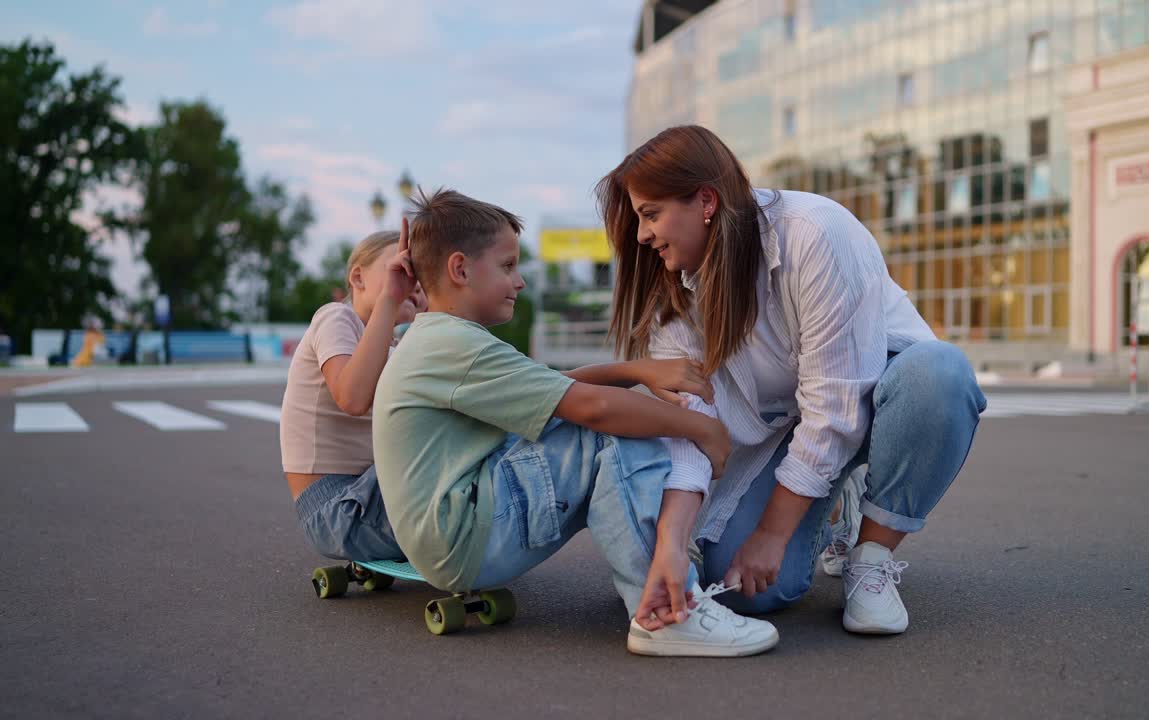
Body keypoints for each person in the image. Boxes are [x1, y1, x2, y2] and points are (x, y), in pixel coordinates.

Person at [597, 125, 988, 635]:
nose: (643, 235)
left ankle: (871, 557)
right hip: (792, 424)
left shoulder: (814, 232)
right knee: (744, 589)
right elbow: (692, 426)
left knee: (942, 373)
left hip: (886, 396)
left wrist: (773, 534)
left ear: (706, 201)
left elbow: (837, 405)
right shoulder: (674, 300)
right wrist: (673, 550)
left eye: (650, 214)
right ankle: (831, 502)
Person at [373, 188, 778, 657]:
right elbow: (591, 409)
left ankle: (651, 574)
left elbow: (551, 386)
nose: (520, 281)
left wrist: (635, 370)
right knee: (609, 430)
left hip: (454, 537)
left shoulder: (440, 339)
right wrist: (702, 428)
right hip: (467, 537)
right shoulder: (454, 345)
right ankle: (668, 612)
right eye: (507, 266)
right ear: (460, 269)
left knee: (598, 416)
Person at [280, 225, 426, 562]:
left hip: (365, 493)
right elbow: (352, 397)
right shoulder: (336, 317)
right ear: (358, 278)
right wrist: (391, 298)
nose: (412, 283)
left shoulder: (393, 346)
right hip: (334, 507)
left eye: (420, 276)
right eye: (402, 270)